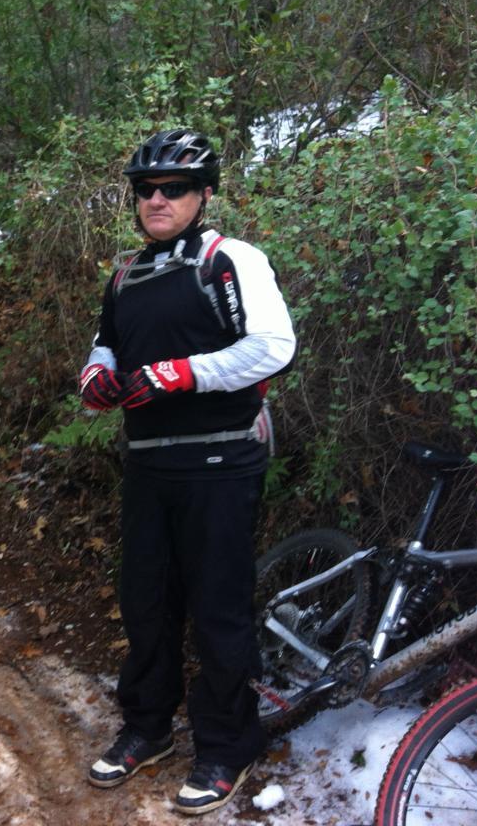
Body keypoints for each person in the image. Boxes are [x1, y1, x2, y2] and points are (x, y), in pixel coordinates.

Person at [78, 128, 295, 816]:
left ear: (203, 195)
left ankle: (228, 744)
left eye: (173, 188)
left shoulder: (229, 260)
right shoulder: (126, 274)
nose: (158, 199)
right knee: (146, 602)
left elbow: (273, 346)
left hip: (222, 460)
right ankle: (147, 726)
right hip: (148, 465)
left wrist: (182, 375)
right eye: (146, 190)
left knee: (218, 609)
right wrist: (96, 376)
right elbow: (107, 344)